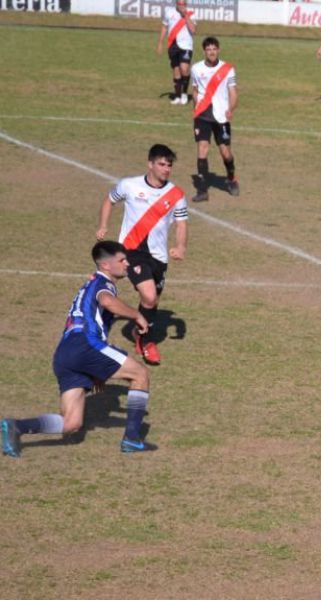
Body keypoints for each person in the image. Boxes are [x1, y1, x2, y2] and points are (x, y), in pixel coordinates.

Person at [1, 242, 155, 458]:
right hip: (85, 344)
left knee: (71, 423)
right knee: (140, 374)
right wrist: (137, 315)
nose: (127, 264)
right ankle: (132, 438)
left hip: (65, 354)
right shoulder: (103, 283)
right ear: (106, 265)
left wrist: (97, 370)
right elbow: (108, 302)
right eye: (122, 260)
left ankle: (17, 427)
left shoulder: (90, 285)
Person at [96, 144, 189, 365]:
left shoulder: (176, 194)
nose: (166, 169)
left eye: (169, 165)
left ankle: (140, 334)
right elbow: (110, 200)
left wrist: (181, 246)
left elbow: (182, 224)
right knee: (148, 296)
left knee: (152, 301)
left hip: (159, 257)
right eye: (161, 164)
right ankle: (147, 343)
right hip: (131, 251)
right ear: (150, 164)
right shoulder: (129, 185)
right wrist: (103, 225)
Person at [190, 36, 239, 202]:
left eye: (214, 49)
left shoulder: (227, 69)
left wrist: (230, 109)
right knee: (202, 149)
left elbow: (233, 93)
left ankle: (231, 178)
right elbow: (195, 90)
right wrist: (196, 107)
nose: (211, 52)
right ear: (204, 51)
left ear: (218, 50)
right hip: (202, 115)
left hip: (221, 116)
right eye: (208, 49)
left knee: (225, 153)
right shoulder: (196, 68)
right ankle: (203, 191)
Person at [156, 0, 197, 106]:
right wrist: (160, 42)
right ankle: (177, 96)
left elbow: (193, 30)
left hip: (186, 46)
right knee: (176, 71)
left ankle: (184, 94)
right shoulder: (169, 12)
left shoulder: (191, 14)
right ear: (176, 4)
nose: (182, 6)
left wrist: (185, 16)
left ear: (186, 5)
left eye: (184, 4)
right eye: (179, 4)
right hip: (172, 46)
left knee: (184, 69)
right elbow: (164, 26)